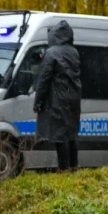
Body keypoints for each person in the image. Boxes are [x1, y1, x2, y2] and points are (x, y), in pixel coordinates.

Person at [33, 19, 82, 172]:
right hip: (74, 99)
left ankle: (63, 168)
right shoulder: (74, 52)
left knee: (60, 136)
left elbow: (44, 79)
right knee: (71, 135)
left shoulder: (51, 53)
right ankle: (74, 166)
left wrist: (38, 103)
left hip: (58, 100)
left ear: (54, 36)